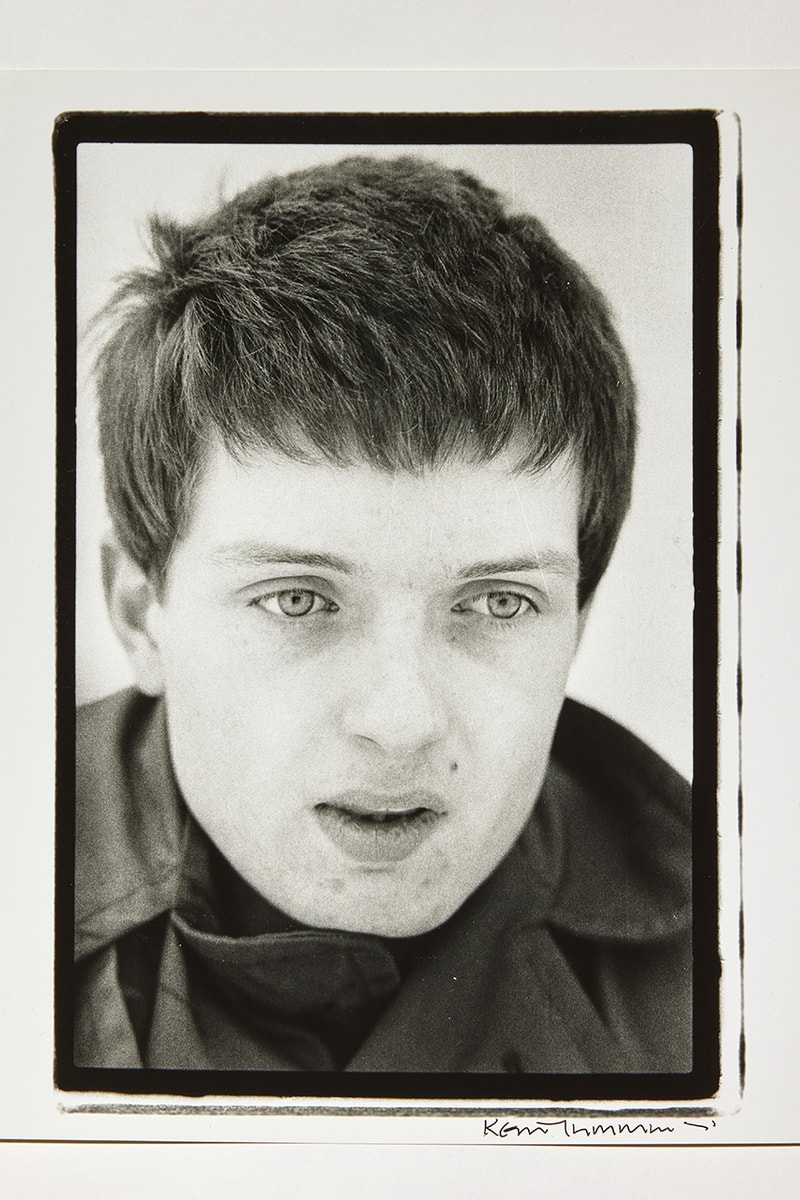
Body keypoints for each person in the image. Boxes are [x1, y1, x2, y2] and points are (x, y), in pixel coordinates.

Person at [74, 154, 691, 1075]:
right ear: (138, 612)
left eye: (497, 602)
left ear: (579, 619)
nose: (399, 723)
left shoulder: (746, 963)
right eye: (298, 600)